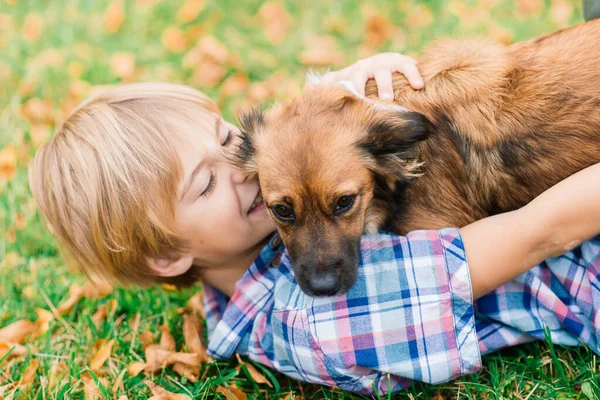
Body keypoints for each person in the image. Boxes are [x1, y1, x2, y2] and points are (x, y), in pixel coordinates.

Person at [29, 54, 600, 395]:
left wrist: (355, 84)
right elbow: (544, 229)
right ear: (166, 255)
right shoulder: (319, 322)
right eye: (204, 186)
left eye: (230, 142)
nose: (245, 172)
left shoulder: (249, 234)